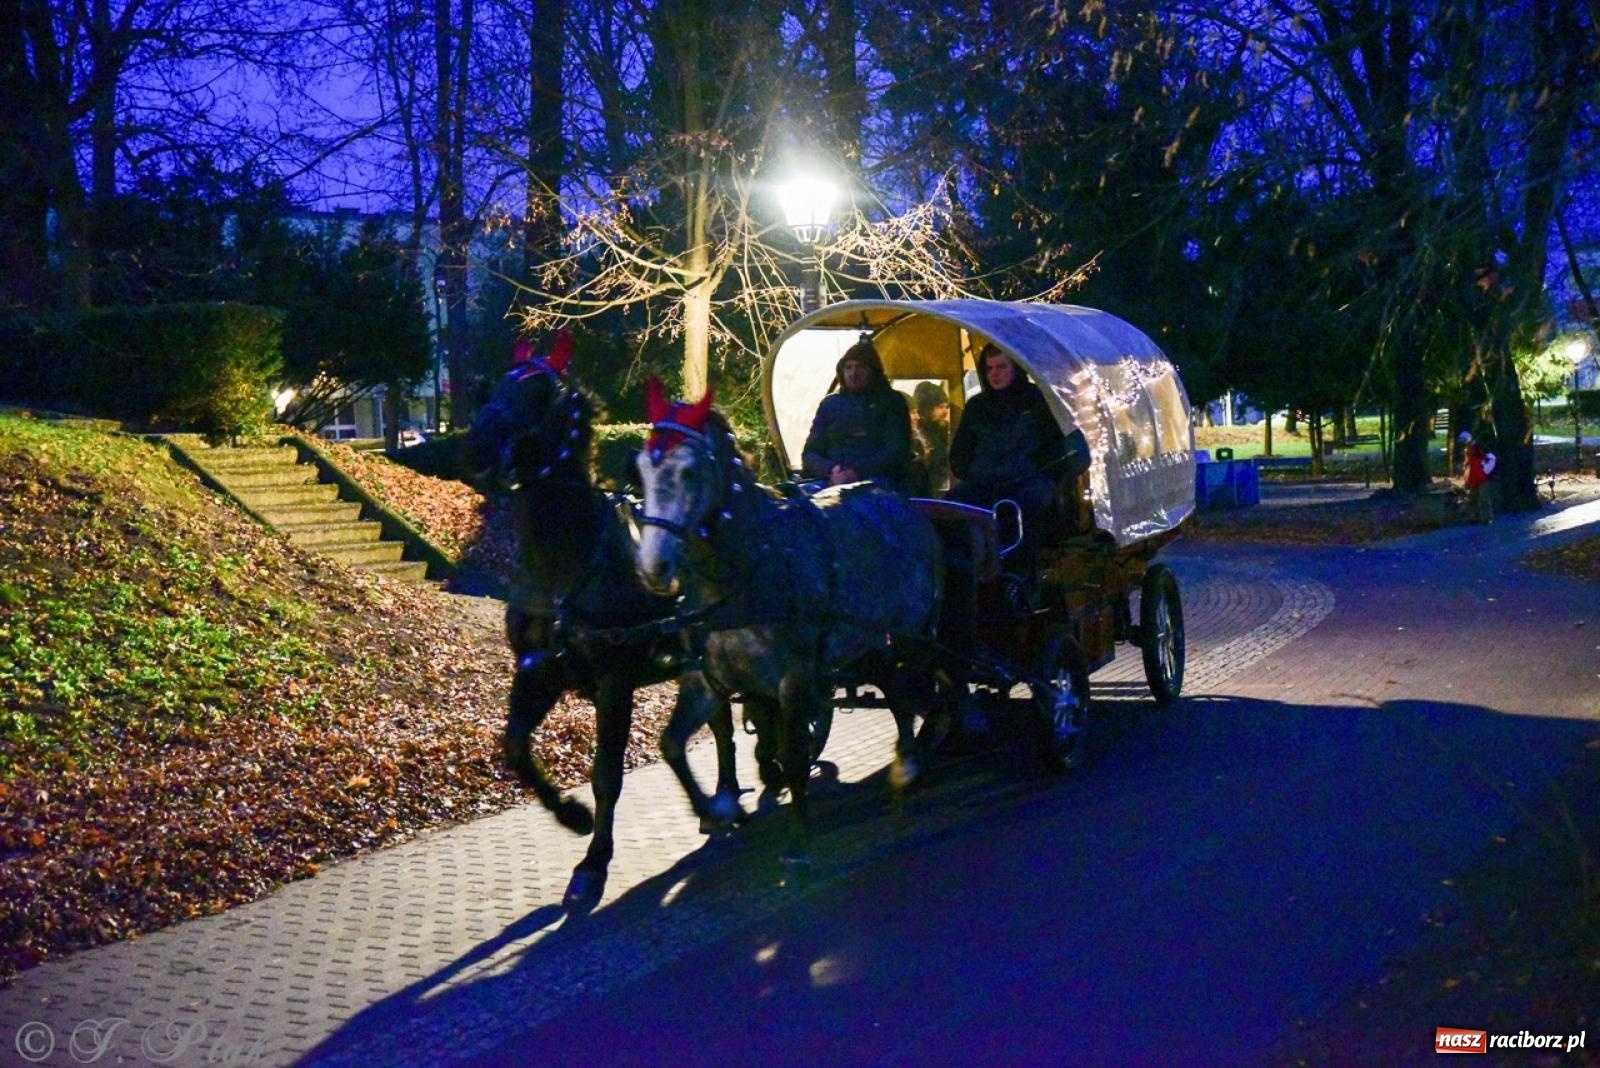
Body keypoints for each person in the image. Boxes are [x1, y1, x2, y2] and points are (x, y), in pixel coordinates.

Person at [948, 344, 1088, 578]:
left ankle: (1021, 573)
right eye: (990, 368)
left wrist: (1041, 472)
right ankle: (959, 573)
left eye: (1002, 366)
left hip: (1026, 480)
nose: (995, 373)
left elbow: (1056, 447)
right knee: (954, 504)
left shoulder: (1036, 401)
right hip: (984, 482)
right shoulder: (977, 406)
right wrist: (968, 471)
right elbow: (961, 450)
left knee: (1029, 504)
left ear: (1015, 368)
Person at [801, 337, 913, 490]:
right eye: (848, 367)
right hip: (832, 480)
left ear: (873, 371)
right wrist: (831, 470)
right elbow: (810, 453)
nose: (853, 373)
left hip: (878, 481)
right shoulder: (830, 405)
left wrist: (857, 473)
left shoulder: (891, 402)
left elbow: (896, 451)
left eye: (860, 367)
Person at [910, 380, 951, 494]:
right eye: (939, 407)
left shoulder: (945, 430)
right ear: (925, 407)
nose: (945, 411)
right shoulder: (917, 434)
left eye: (946, 407)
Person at [1459, 430, 1494, 524]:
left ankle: (1487, 518)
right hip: (1472, 477)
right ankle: (1474, 518)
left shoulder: (1479, 447)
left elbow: (1491, 458)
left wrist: (1485, 470)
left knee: (1484, 498)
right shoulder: (1467, 449)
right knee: (1472, 498)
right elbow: (1467, 464)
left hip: (1481, 477)